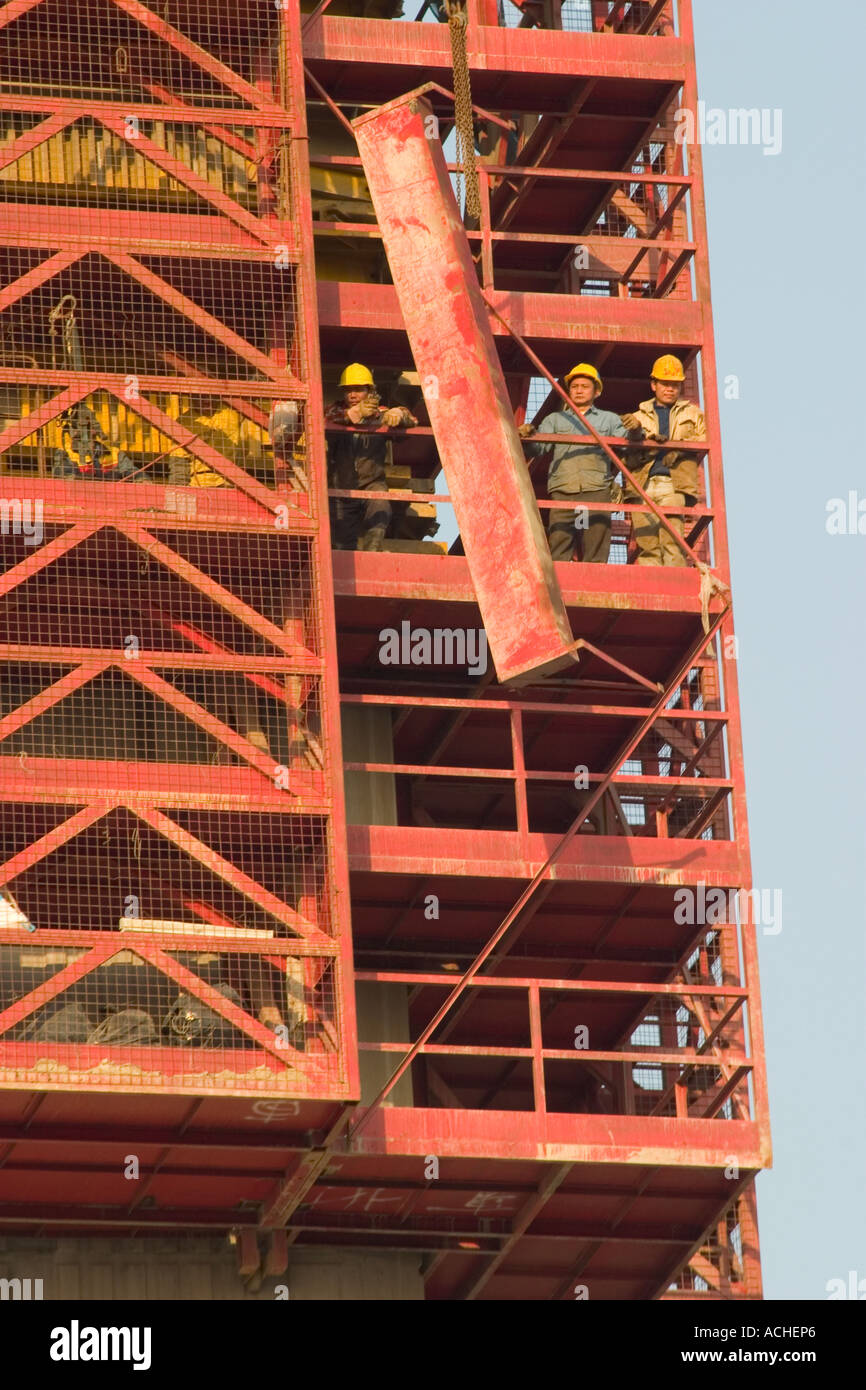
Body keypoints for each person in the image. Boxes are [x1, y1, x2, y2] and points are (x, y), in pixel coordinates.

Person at [520, 363, 625, 563]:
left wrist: (637, 433)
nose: (578, 390)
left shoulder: (609, 420)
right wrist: (527, 439)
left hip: (595, 491)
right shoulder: (555, 420)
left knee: (595, 544)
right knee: (560, 543)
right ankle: (560, 587)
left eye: (584, 386)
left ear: (596, 392)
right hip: (564, 490)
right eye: (575, 386)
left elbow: (628, 446)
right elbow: (539, 449)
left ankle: (595, 587)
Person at [621, 355, 705, 566]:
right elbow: (623, 452)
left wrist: (677, 448)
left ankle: (675, 587)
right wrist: (639, 437)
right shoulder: (637, 417)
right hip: (643, 485)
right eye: (665, 384)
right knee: (647, 544)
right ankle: (654, 591)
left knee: (672, 541)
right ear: (654, 385)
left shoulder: (693, 414)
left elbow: (705, 438)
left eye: (675, 385)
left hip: (673, 485)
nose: (670, 389)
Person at [325, 363, 416, 552]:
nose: (352, 395)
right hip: (341, 488)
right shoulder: (334, 412)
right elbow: (324, 419)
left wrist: (399, 414)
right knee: (342, 544)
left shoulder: (379, 415)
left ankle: (372, 551)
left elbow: (412, 421)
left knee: (380, 506)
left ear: (370, 391)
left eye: (358, 390)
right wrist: (355, 414)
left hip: (372, 482)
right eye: (348, 390)